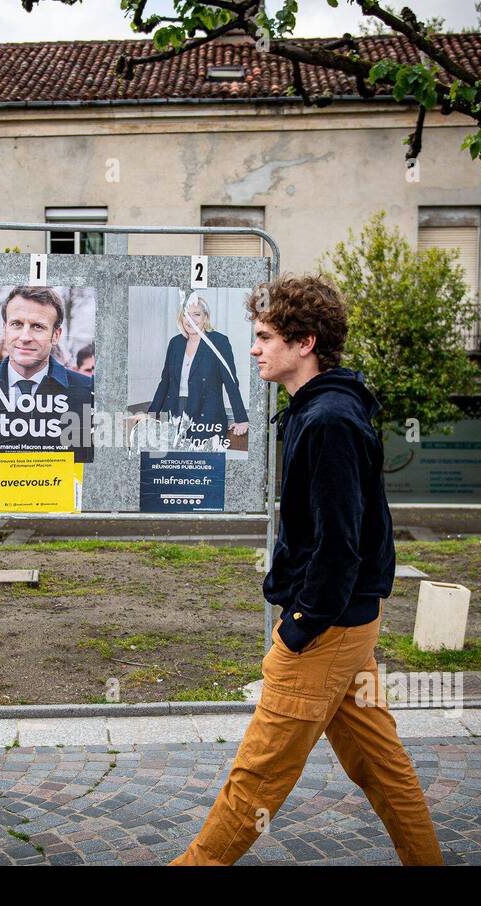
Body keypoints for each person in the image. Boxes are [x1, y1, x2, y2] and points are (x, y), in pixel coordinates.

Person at [170, 273, 444, 867]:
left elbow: (340, 546)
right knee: (381, 767)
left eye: (266, 336)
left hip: (324, 631)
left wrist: (297, 627)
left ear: (305, 343)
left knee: (256, 780)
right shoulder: (317, 412)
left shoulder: (330, 422)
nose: (254, 348)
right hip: (347, 625)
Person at [0, 286, 94, 462]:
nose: (25, 337)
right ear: (5, 329)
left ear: (56, 335)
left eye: (37, 326)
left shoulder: (87, 393)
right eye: (17, 324)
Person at [145, 291, 248, 450]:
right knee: (175, 467)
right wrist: (151, 415)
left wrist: (241, 418)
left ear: (205, 317)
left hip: (207, 414)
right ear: (181, 318)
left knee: (200, 466)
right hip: (174, 414)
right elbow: (165, 381)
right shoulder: (175, 343)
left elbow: (231, 382)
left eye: (197, 314)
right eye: (186, 315)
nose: (191, 320)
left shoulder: (219, 341)